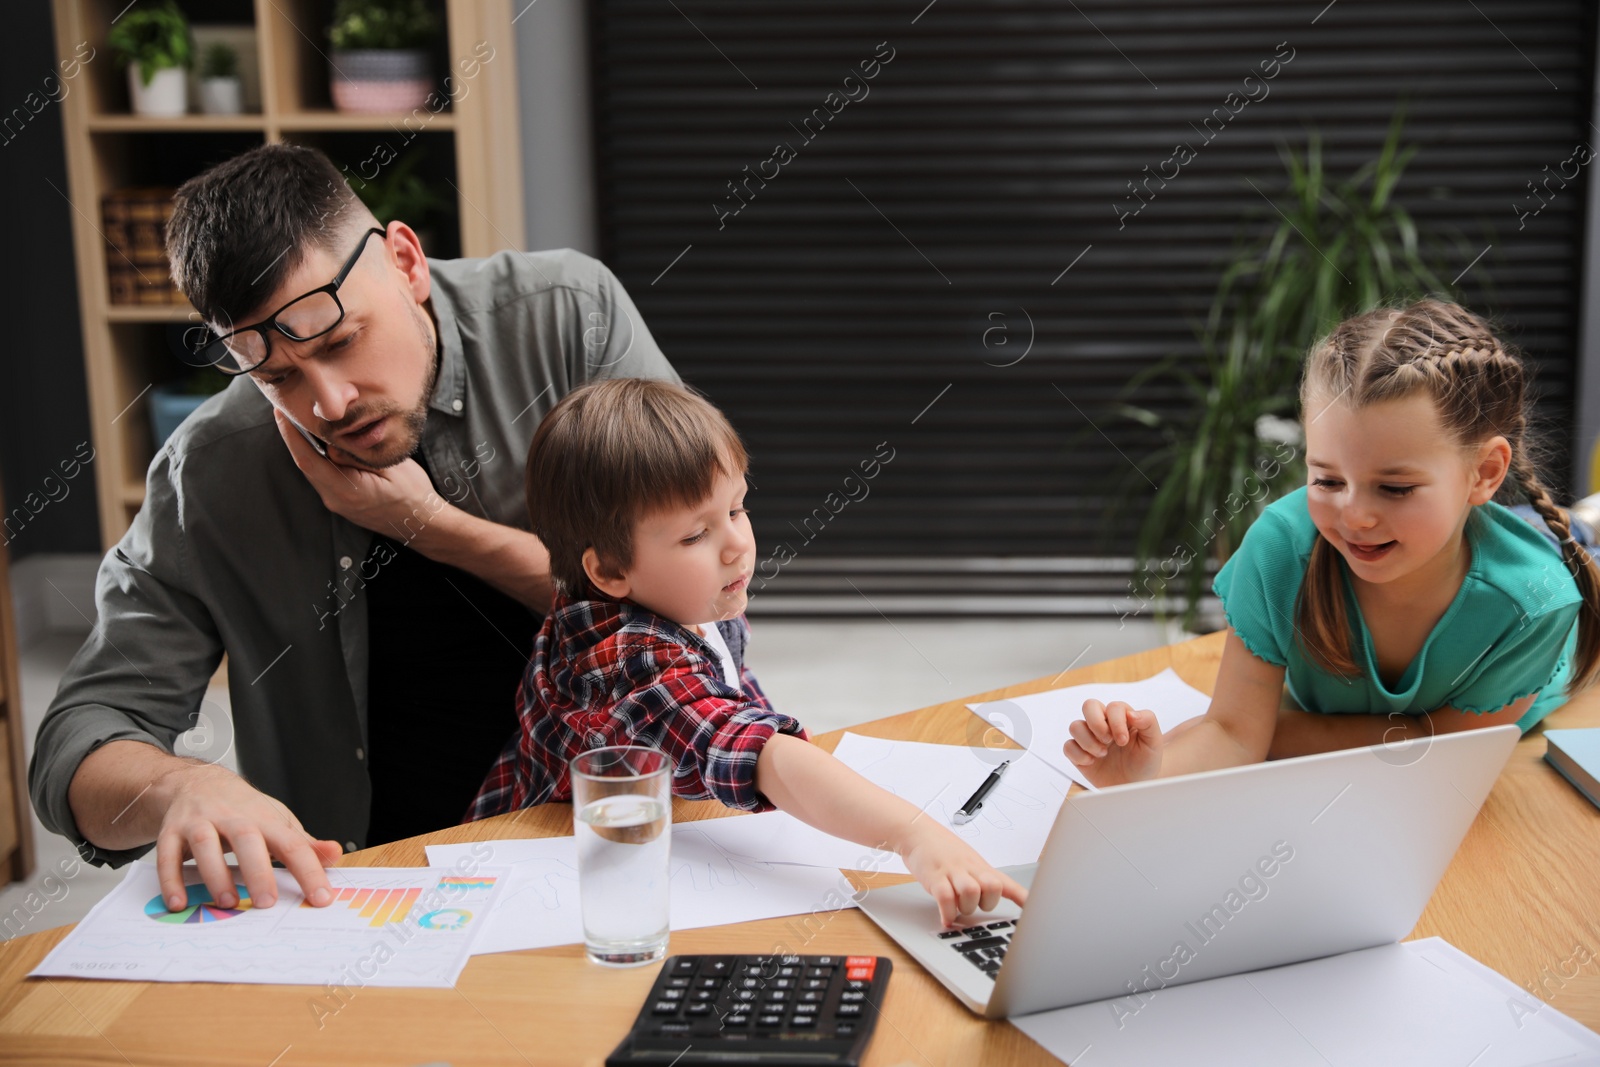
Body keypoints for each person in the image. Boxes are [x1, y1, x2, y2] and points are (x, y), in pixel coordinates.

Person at [28, 144, 678, 914]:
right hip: (374, 889)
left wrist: (431, 526)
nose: (330, 402)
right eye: (279, 378)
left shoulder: (570, 320)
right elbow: (78, 737)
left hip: (624, 830)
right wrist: (182, 786)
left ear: (406, 261)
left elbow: (695, 603)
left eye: (340, 343)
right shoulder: (212, 470)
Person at [467, 378, 1027, 926]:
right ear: (610, 570)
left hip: (647, 846)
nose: (738, 543)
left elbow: (736, 705)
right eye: (695, 535)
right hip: (539, 890)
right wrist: (915, 835)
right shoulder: (628, 661)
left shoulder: (686, 600)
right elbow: (755, 750)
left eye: (736, 509)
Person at [1066, 298, 1600, 785]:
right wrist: (1150, 770)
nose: (1355, 517)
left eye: (1394, 487)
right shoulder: (1280, 546)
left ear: (1485, 472)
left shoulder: (1539, 601)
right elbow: (1232, 735)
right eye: (1326, 480)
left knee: (1575, 541)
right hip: (1461, 532)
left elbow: (1441, 751)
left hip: (1530, 572)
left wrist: (1274, 732)